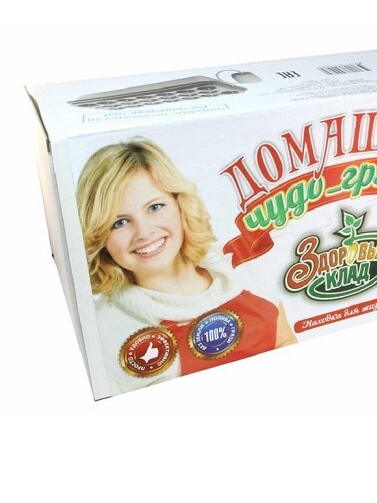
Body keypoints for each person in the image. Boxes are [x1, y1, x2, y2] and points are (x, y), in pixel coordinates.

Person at [76, 138, 296, 395]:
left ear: (180, 204)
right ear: (99, 237)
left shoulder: (239, 269)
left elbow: (285, 342)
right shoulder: (103, 331)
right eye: (119, 223)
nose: (144, 232)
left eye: (155, 207)